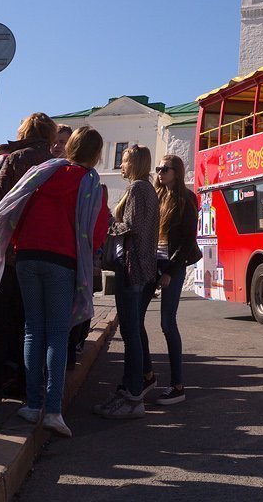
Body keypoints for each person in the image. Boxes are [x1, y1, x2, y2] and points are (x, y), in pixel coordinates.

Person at [0, 126, 108, 437]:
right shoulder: (89, 182)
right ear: (96, 154)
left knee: (32, 328)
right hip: (62, 261)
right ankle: (52, 410)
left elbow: (16, 205)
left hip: (27, 256)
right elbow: (97, 232)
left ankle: (32, 404)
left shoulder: (43, 172)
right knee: (57, 333)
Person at [0, 113, 58, 402]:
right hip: (39, 249)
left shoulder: (17, 159)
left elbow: (0, 198)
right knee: (27, 320)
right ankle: (23, 381)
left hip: (8, 250)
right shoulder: (55, 165)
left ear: (25, 131)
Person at [97, 145, 158, 420]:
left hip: (132, 267)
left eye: (123, 161)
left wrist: (108, 224)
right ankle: (129, 390)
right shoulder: (147, 188)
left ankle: (133, 396)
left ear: (134, 163)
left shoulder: (137, 189)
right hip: (141, 268)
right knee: (132, 332)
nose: (120, 165)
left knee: (131, 334)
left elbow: (130, 225)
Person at [138, 155, 200, 406]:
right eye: (158, 169)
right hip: (152, 264)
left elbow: (186, 242)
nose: (160, 173)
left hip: (172, 266)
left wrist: (169, 272)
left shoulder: (187, 199)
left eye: (165, 169)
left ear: (177, 171)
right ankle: (148, 374)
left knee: (167, 323)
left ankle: (177, 385)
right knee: (135, 319)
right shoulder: (157, 196)